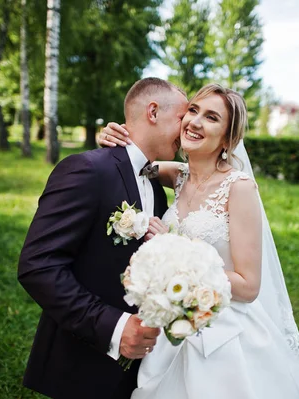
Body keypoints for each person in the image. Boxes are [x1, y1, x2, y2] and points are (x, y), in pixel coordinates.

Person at [99, 83, 299, 398]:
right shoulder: (179, 175)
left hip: (224, 332)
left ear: (228, 139)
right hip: (175, 320)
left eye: (211, 117)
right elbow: (137, 160)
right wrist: (111, 138)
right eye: (193, 110)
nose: (195, 122)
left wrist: (174, 250)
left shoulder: (239, 188)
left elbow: (248, 286)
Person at [17, 77, 189, 399]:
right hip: (82, 362)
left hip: (138, 367)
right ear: (153, 111)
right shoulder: (87, 170)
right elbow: (37, 265)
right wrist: (114, 328)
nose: (186, 129)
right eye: (181, 118)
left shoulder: (156, 188)